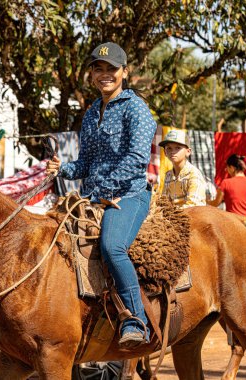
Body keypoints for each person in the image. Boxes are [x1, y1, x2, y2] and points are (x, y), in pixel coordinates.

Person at [46, 42, 157, 348]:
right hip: (94, 196)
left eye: (112, 69)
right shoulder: (93, 111)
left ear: (125, 72)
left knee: (111, 246)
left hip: (128, 195)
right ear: (92, 74)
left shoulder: (137, 109)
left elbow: (137, 159)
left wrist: (106, 190)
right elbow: (87, 162)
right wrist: (63, 169)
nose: (105, 74)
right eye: (99, 68)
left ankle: (137, 321)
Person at [159, 130, 207, 207]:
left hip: (194, 216)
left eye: (178, 148)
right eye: (169, 148)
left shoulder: (193, 174)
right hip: (173, 216)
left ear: (188, 152)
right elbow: (164, 203)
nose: (173, 152)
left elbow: (193, 205)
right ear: (165, 152)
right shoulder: (168, 175)